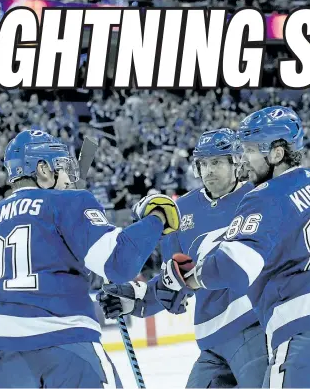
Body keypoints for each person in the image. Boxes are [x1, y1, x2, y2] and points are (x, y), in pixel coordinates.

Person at [158, 107, 310, 388]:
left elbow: (233, 266)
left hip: (306, 333)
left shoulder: (264, 196)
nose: (245, 161)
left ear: (277, 153)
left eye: (251, 150)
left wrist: (188, 279)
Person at [0, 130, 180, 388]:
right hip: (66, 349)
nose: (68, 178)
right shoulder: (68, 202)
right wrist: (157, 217)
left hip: (3, 363)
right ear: (43, 169)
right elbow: (119, 262)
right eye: (63, 167)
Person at [98, 128, 270, 388]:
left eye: (217, 162)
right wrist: (134, 299)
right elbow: (174, 279)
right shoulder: (180, 211)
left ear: (236, 162)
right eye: (203, 164)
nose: (208, 170)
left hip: (256, 328)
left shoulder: (259, 198)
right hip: (211, 342)